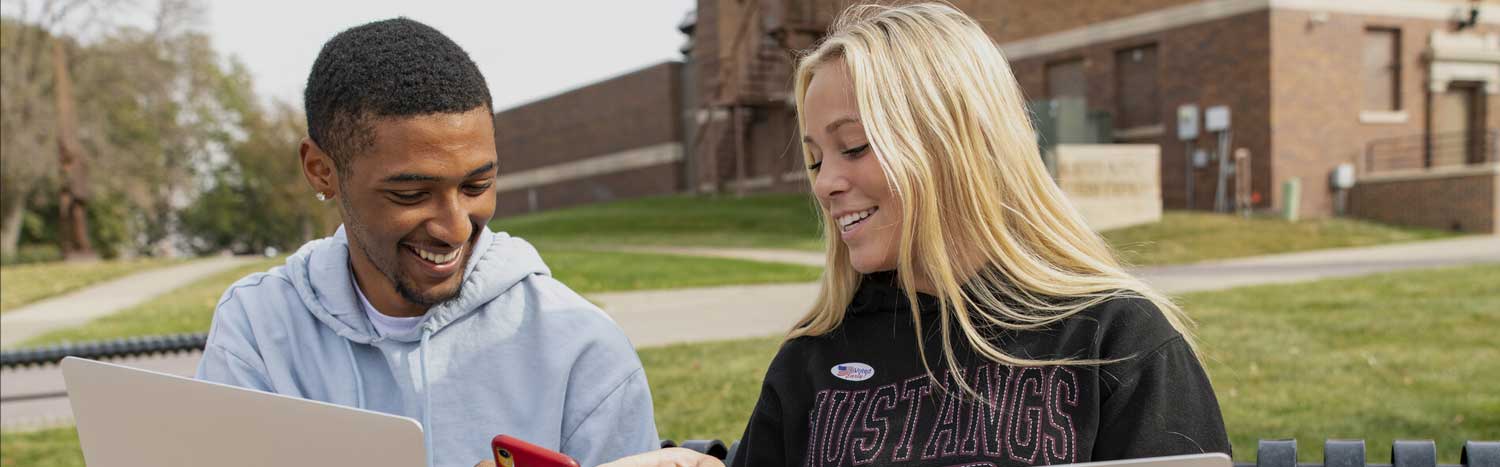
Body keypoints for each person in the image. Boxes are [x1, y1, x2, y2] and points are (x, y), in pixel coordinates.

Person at [194, 18, 719, 467]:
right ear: (321, 170)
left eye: (477, 186)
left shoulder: (580, 345)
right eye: (412, 193)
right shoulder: (258, 328)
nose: (455, 227)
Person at [729, 4, 1231, 467]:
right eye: (816, 158)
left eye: (854, 147)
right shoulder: (812, 357)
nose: (823, 183)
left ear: (953, 144)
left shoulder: (1115, 339)